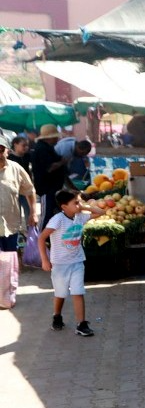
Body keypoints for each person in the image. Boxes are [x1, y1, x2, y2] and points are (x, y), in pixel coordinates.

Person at [38, 189, 96, 336]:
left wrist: (83, 207)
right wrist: (45, 260)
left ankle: (81, 324)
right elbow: (41, 238)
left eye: (80, 201)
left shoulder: (80, 217)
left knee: (78, 291)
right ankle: (57, 316)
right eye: (76, 202)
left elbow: (101, 212)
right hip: (59, 264)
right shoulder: (57, 220)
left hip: (77, 262)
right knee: (61, 294)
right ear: (64, 207)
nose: (79, 205)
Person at [0, 135, 38, 253]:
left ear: (8, 151)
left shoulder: (15, 168)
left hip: (10, 227)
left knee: (10, 263)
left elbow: (30, 190)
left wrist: (33, 213)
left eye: (1, 149)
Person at [31, 124, 66, 222]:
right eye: (55, 137)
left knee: (53, 213)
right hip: (46, 188)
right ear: (50, 138)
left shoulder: (48, 147)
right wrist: (62, 162)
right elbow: (49, 168)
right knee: (46, 214)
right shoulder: (42, 149)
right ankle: (42, 236)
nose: (57, 139)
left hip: (53, 187)